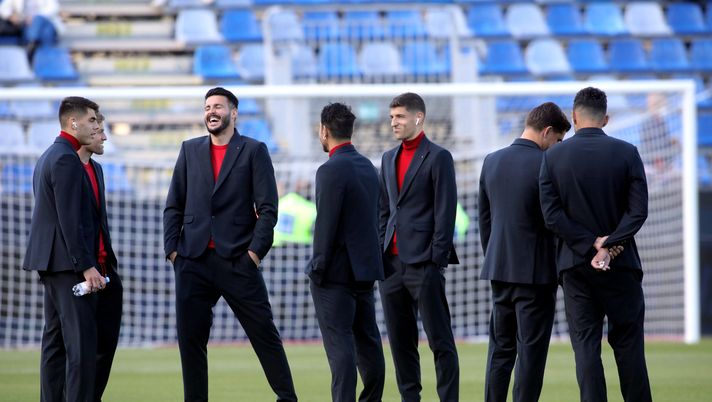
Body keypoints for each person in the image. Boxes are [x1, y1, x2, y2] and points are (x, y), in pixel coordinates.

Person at [163, 87, 297, 402]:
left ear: (233, 113)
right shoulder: (189, 150)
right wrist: (173, 252)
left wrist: (253, 254)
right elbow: (174, 205)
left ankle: (288, 398)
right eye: (207, 106)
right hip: (192, 261)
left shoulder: (253, 150)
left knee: (264, 334)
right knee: (191, 342)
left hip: (238, 260)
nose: (211, 111)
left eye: (218, 107)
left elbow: (268, 210)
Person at [539, 87, 652, 402]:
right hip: (622, 265)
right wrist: (610, 244)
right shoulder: (628, 153)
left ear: (574, 117)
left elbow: (551, 216)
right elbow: (638, 212)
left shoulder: (552, 157)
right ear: (606, 118)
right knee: (629, 344)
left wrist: (591, 244)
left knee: (586, 346)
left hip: (575, 268)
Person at [478, 102, 570, 402]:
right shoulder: (548, 164)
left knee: (500, 350)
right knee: (530, 353)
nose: (557, 147)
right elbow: (553, 220)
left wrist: (496, 258)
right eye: (557, 140)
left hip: (499, 271)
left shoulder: (492, 161)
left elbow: (485, 221)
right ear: (546, 132)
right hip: (536, 274)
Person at [378, 92, 460, 402]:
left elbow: (445, 212)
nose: (394, 122)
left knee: (440, 341)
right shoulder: (388, 158)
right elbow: (384, 210)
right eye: (391, 117)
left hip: (424, 264)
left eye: (399, 116)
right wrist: (380, 251)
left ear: (418, 118)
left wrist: (435, 261)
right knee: (401, 343)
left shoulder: (438, 157)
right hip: (391, 266)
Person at [23, 96, 105, 402]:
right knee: (80, 346)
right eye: (92, 121)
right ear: (73, 123)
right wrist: (85, 264)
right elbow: (69, 219)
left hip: (53, 262)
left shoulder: (49, 155)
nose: (97, 126)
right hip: (68, 265)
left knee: (55, 342)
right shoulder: (65, 159)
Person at [307, 102, 386, 402]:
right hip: (364, 273)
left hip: (335, 275)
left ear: (324, 130)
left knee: (340, 349)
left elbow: (325, 225)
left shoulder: (329, 170)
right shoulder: (368, 167)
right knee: (369, 343)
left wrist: (318, 267)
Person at [77, 112, 123, 402]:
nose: (104, 136)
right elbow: (68, 225)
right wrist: (85, 266)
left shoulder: (97, 169)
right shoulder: (63, 165)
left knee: (105, 346)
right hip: (82, 273)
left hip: (105, 271)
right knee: (75, 350)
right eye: (98, 131)